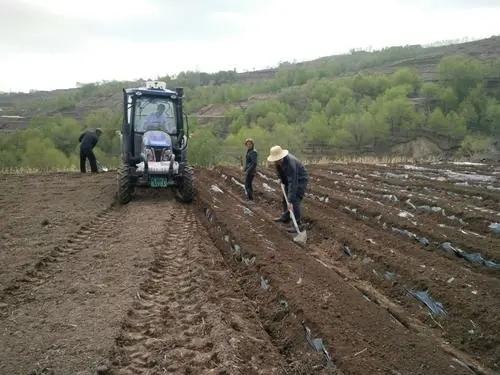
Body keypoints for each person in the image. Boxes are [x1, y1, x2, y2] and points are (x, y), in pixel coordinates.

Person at [267, 145, 308, 232]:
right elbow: (280, 172)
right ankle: (286, 217)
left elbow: (293, 182)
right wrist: (281, 180)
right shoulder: (277, 163)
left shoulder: (290, 163)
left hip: (300, 179)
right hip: (288, 179)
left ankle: (297, 224)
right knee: (284, 198)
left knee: (294, 200)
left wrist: (290, 200)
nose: (277, 161)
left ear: (282, 156)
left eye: (278, 159)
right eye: (275, 160)